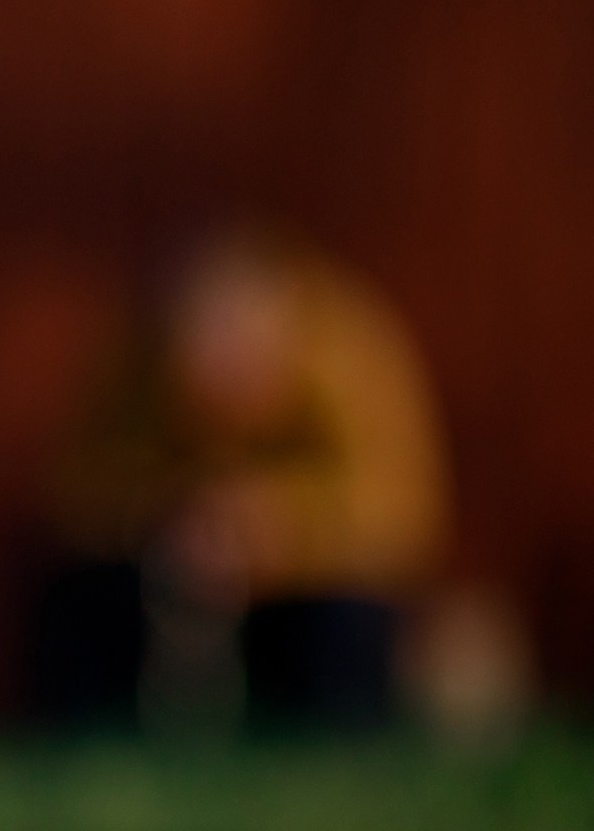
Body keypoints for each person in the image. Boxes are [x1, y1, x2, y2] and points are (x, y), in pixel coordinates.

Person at [33, 229, 450, 732]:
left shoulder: (356, 360)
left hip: (309, 591)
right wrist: (170, 517)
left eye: (245, 376)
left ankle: (339, 742)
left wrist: (286, 525)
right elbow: (79, 490)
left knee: (350, 617)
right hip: (169, 580)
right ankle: (94, 736)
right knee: (81, 601)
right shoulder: (132, 368)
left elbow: (401, 511)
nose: (226, 415)